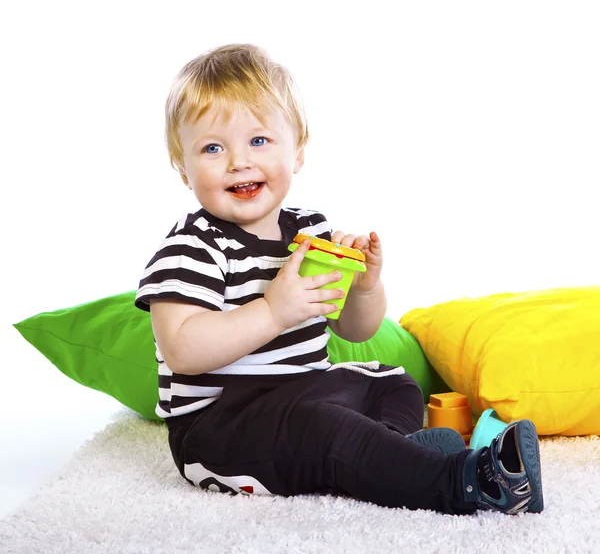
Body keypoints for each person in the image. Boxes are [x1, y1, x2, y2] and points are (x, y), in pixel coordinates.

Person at [135, 44, 543, 514]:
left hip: (306, 395)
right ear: (181, 166)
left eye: (259, 141)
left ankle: (388, 456)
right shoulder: (192, 248)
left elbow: (354, 329)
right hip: (222, 430)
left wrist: (365, 287)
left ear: (299, 151)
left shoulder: (309, 231)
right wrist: (272, 311)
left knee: (391, 381)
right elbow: (183, 351)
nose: (238, 161)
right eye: (212, 148)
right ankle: (466, 481)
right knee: (323, 427)